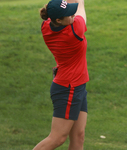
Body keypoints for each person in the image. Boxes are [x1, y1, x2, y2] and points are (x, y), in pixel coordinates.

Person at [33, 0, 89, 149]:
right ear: (59, 20)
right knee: (57, 138)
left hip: (77, 85)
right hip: (69, 88)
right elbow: (81, 9)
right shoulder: (74, 30)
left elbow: (56, 7)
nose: (72, 15)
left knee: (79, 136)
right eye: (68, 14)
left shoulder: (46, 26)